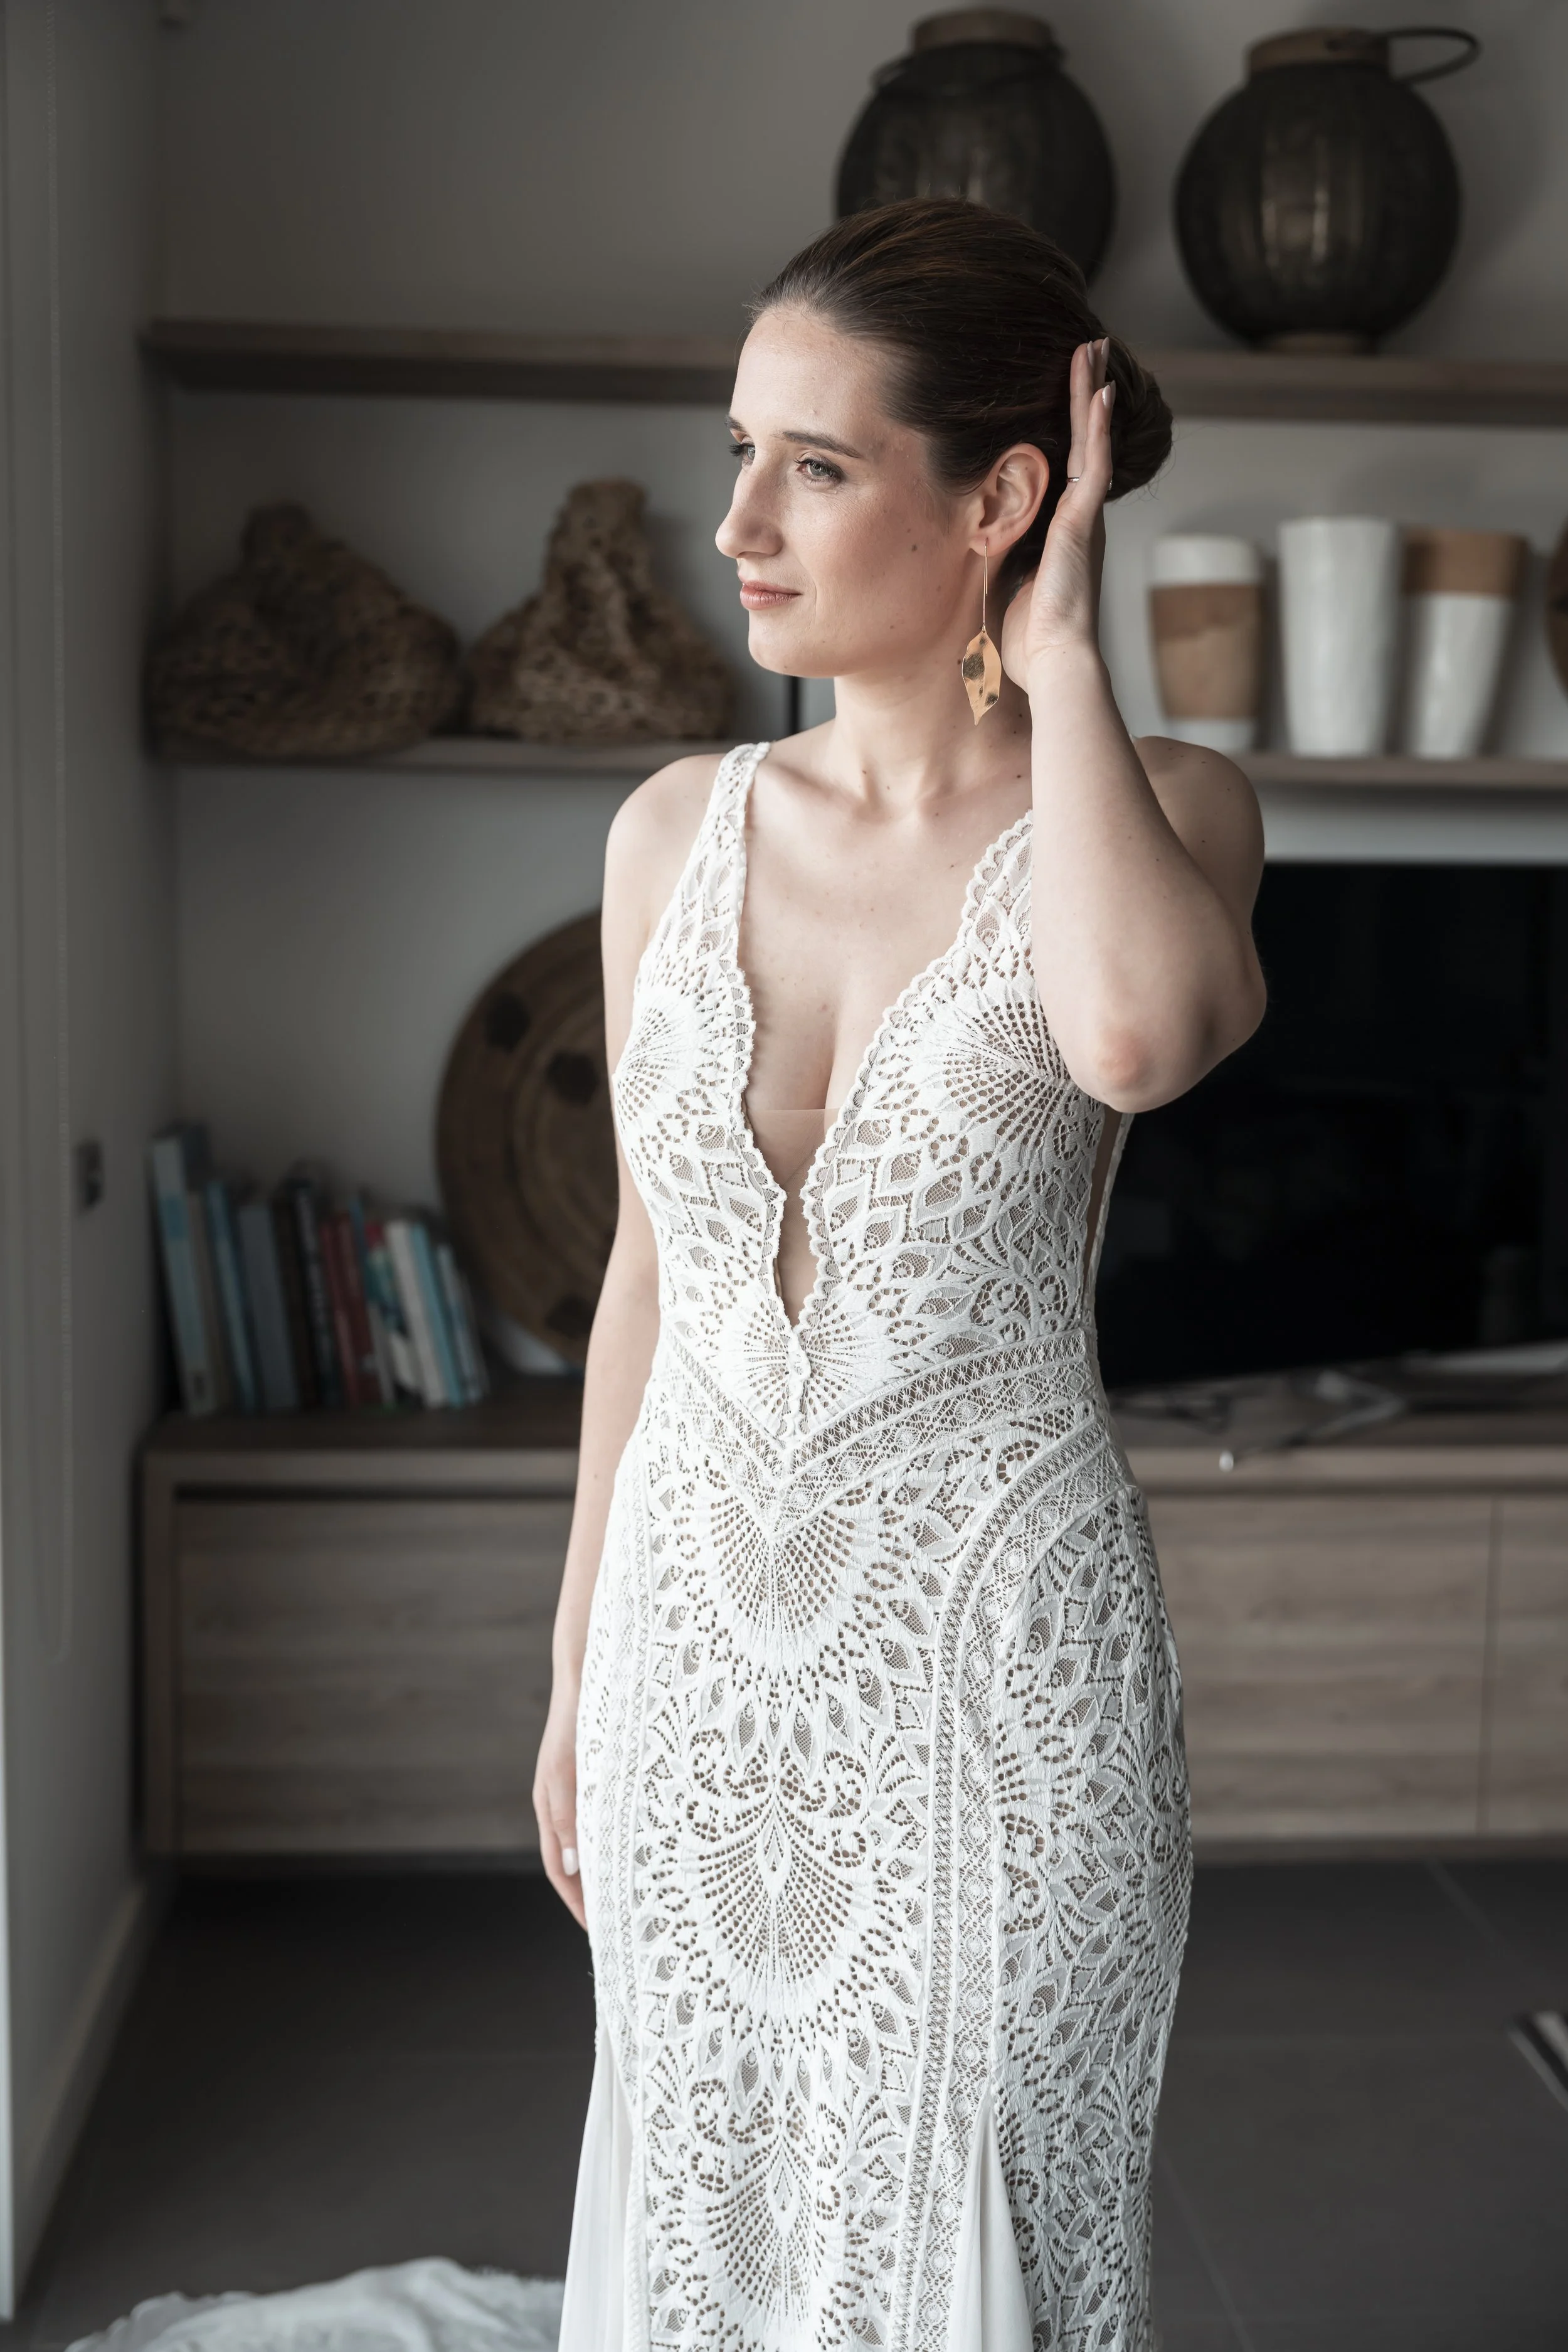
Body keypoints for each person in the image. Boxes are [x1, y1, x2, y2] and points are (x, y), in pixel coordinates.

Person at [536, 198, 1266, 2350]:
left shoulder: (1169, 806)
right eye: (738, 450)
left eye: (818, 464)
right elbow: (645, 1285)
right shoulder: (670, 826)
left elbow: (1130, 1036)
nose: (738, 517)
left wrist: (1057, 663)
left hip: (995, 1690)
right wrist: (582, 1663)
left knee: (981, 2240)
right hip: (694, 1661)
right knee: (710, 2211)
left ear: (1005, 498)